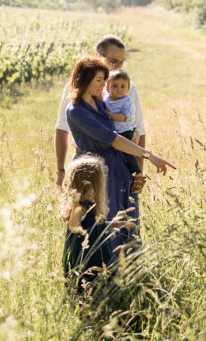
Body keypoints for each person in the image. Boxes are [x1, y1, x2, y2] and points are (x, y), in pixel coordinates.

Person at [65, 56, 175, 252]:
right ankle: (95, 275)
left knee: (124, 220)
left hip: (117, 171)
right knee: (97, 224)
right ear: (85, 79)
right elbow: (113, 138)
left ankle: (126, 273)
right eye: (99, 80)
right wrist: (149, 156)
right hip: (94, 175)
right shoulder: (76, 111)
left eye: (103, 80)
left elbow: (122, 128)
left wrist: (133, 132)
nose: (103, 85)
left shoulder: (101, 103)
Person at [55, 35, 146, 189]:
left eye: (121, 62)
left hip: (121, 164)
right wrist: (60, 170)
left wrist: (138, 174)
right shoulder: (75, 88)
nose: (117, 67)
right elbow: (62, 129)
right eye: (113, 61)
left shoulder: (129, 88)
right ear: (98, 56)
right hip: (87, 163)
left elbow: (139, 131)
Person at [59, 155, 114, 294]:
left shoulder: (91, 205)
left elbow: (96, 226)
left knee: (98, 289)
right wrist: (76, 203)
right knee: (84, 290)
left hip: (95, 256)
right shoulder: (81, 206)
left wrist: (117, 224)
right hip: (84, 258)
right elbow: (73, 226)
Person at [103, 69, 142, 177]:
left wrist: (110, 115)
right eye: (114, 86)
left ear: (128, 89)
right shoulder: (106, 99)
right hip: (113, 132)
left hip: (125, 131)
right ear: (107, 88)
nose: (118, 89)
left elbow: (124, 117)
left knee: (127, 152)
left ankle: (137, 172)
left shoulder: (127, 101)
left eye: (122, 86)